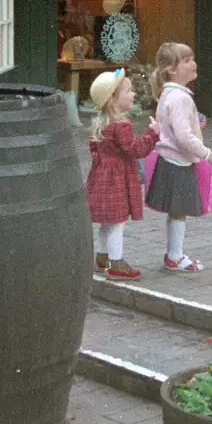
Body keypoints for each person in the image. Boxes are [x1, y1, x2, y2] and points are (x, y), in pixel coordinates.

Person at [146, 42, 212, 274]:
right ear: (171, 69)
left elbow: (175, 127)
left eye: (192, 58)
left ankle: (173, 254)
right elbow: (183, 136)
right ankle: (175, 256)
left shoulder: (169, 94)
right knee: (179, 211)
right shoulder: (180, 98)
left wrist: (195, 123)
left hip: (169, 160)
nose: (193, 63)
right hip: (178, 162)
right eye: (187, 60)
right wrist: (208, 154)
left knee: (176, 211)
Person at [86, 69, 159, 282]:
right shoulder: (121, 126)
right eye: (127, 91)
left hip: (101, 179)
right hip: (117, 180)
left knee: (107, 222)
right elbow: (135, 150)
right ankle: (116, 264)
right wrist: (152, 134)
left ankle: (102, 257)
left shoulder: (103, 124)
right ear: (113, 100)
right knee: (117, 222)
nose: (133, 94)